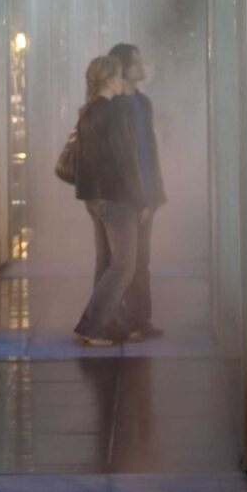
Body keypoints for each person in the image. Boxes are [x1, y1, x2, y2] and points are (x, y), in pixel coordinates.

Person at [67, 56, 142, 347]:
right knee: (124, 265)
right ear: (110, 80)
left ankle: (111, 324)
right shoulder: (113, 112)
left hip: (95, 198)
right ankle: (91, 326)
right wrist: (140, 199)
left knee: (106, 263)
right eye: (120, 76)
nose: (124, 81)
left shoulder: (88, 111)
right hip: (116, 198)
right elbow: (126, 160)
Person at [108, 40, 166, 340]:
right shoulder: (113, 106)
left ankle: (140, 318)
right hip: (124, 196)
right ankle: (117, 320)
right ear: (125, 69)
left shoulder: (143, 103)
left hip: (145, 194)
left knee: (141, 259)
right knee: (121, 262)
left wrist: (155, 191)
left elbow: (150, 150)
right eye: (137, 62)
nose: (143, 67)